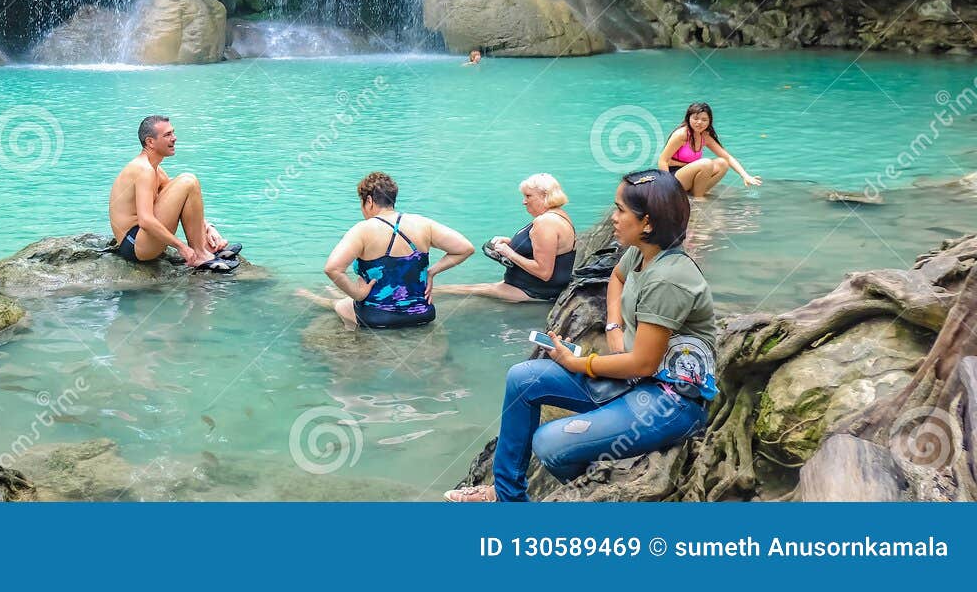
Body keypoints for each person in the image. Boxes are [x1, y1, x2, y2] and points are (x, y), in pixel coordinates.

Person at [445, 170, 717, 502]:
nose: (613, 218)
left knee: (549, 443)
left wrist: (580, 362)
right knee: (523, 378)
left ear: (647, 223)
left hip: (669, 401)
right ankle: (508, 496)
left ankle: (601, 492)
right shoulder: (641, 253)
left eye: (619, 210)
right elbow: (616, 279)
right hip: (630, 378)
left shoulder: (669, 279)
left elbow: (644, 364)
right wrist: (614, 328)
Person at [296, 172, 473, 329]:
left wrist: (358, 293)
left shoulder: (363, 229)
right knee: (344, 300)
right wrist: (431, 272)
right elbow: (465, 248)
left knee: (342, 305)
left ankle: (322, 303)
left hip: (378, 316)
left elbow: (332, 268)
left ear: (369, 201)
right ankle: (326, 297)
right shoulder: (422, 224)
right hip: (422, 314)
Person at [109, 115, 240, 272]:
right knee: (188, 180)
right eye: (167, 135)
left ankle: (204, 248)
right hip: (134, 244)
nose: (174, 138)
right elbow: (145, 221)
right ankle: (200, 255)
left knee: (187, 184)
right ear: (150, 142)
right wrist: (181, 247)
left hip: (142, 241)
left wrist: (208, 227)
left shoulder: (155, 169)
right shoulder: (144, 170)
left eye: (173, 133)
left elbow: (182, 200)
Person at [433, 173, 576, 303]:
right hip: (529, 285)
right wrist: (510, 243)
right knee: (455, 289)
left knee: (447, 291)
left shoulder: (546, 223)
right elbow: (546, 248)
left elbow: (544, 272)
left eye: (528, 196)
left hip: (534, 291)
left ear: (544, 195)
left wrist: (509, 253)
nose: (524, 202)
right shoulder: (558, 215)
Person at [657, 101, 761, 198]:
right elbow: (663, 161)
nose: (699, 122)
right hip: (675, 177)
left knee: (722, 163)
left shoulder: (705, 136)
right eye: (695, 118)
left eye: (704, 120)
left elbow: (727, 157)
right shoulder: (682, 134)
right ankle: (699, 199)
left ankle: (697, 195)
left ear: (709, 121)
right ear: (688, 118)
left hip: (689, 175)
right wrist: (668, 187)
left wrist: (745, 176)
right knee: (706, 163)